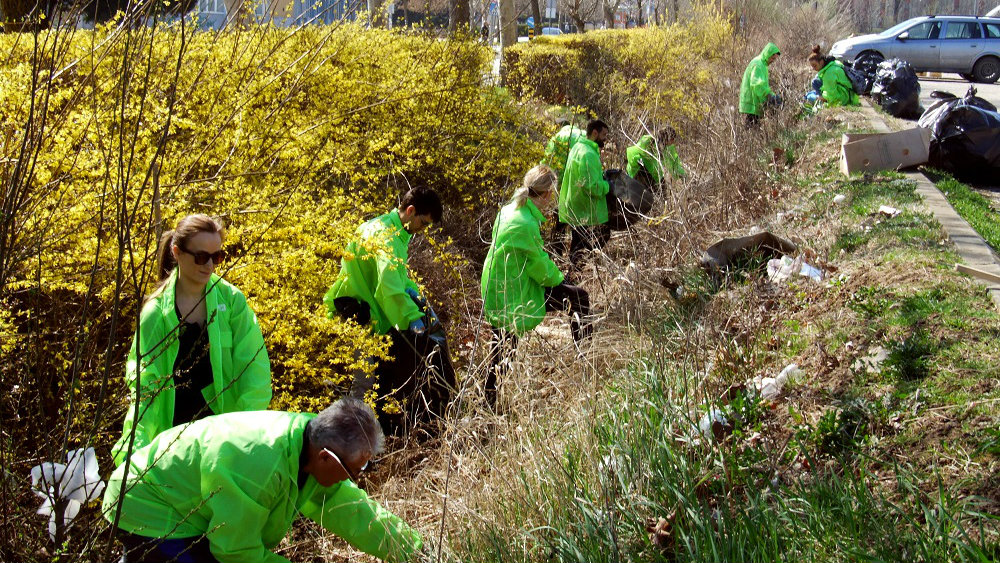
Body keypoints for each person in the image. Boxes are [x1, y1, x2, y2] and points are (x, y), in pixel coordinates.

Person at [102, 397, 422, 563]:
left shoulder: (308, 442)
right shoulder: (258, 466)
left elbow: (353, 510)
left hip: (181, 500)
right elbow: (235, 553)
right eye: (356, 470)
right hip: (143, 504)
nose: (357, 480)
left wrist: (415, 553)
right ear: (327, 457)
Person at [112, 214, 271, 466]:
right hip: (172, 436)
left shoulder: (231, 302)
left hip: (221, 433)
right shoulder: (156, 313)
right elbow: (145, 387)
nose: (209, 265)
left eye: (216, 257)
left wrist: (242, 432)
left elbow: (254, 371)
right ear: (177, 252)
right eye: (200, 257)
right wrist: (134, 454)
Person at [323, 187, 451, 433]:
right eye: (422, 223)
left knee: (374, 380)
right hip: (356, 314)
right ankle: (344, 441)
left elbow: (398, 279)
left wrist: (416, 296)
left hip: (365, 312)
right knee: (364, 383)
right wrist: (412, 318)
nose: (421, 230)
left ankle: (363, 438)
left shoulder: (389, 230)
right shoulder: (386, 236)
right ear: (410, 211)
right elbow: (389, 288)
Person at [481, 165, 591, 405]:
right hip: (510, 290)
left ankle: (488, 401)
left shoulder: (510, 210)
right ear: (548, 193)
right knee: (578, 298)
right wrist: (561, 279)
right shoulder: (525, 222)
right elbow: (538, 266)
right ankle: (587, 362)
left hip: (500, 284)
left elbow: (531, 259)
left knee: (502, 347)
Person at [555, 119, 611, 268]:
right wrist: (608, 186)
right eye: (604, 134)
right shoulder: (588, 154)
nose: (606, 138)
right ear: (594, 133)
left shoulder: (578, 147)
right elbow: (592, 187)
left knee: (578, 242)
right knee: (594, 238)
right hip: (585, 208)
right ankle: (574, 275)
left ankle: (574, 272)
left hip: (576, 204)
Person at [739, 42, 782, 127]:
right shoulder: (758, 65)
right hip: (752, 103)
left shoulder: (763, 64)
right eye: (772, 58)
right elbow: (757, 85)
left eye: (774, 59)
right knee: (752, 128)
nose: (772, 61)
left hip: (754, 102)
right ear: (768, 54)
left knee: (753, 128)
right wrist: (770, 96)